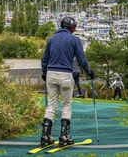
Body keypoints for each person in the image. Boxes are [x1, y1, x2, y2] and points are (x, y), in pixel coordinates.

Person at [40, 16, 94, 148]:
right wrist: (89, 72)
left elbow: (44, 59)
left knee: (51, 105)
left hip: (51, 74)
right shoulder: (75, 40)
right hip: (65, 75)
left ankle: (45, 136)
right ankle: (64, 136)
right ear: (72, 27)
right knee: (66, 105)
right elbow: (82, 60)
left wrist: (44, 73)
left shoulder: (52, 39)